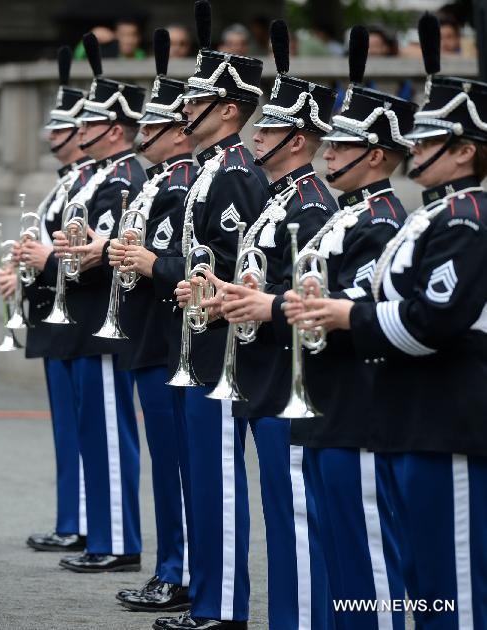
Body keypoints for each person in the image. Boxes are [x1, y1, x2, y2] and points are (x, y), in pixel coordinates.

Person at [284, 13, 487, 629]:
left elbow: (433, 321)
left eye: (429, 143)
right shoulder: (439, 214)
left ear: (466, 152)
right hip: (407, 416)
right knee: (421, 582)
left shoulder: (467, 219)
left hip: (447, 416)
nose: (416, 151)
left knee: (451, 588)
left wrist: (347, 314)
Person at [196, 19, 338, 630]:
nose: (260, 138)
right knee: (282, 517)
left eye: (274, 130)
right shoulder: (283, 197)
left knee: (297, 521)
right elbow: (264, 275)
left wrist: (258, 302)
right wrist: (228, 292)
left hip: (290, 377)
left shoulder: (308, 203)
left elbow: (310, 297)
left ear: (300, 140)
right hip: (265, 372)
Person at [273, 26, 416, 630]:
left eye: (341, 147)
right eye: (328, 145)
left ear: (376, 155)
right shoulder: (352, 215)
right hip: (324, 397)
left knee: (369, 561)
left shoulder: (381, 221)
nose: (327, 155)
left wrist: (274, 306)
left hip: (358, 402)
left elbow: (353, 306)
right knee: (335, 547)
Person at [150, 2, 268, 628]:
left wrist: (206, 285)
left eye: (196, 102)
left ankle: (223, 609)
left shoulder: (239, 173)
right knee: (203, 483)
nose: (183, 112)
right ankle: (209, 599)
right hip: (198, 346)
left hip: (226, 349)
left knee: (218, 487)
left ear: (228, 109)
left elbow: (246, 263)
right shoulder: (210, 170)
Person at [104, 28, 196, 614]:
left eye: (153, 129)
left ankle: (178, 568)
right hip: (145, 337)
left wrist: (146, 261)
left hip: (169, 342)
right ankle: (172, 565)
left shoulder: (187, 182)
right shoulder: (163, 180)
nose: (142, 139)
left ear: (179, 131)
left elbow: (196, 260)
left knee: (177, 469)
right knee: (165, 468)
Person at [50, 31, 147, 575]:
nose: (76, 132)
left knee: (110, 435)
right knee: (94, 433)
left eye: (87, 124)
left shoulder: (125, 176)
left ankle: (118, 541)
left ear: (114, 129)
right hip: (84, 319)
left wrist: (55, 255)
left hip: (102, 319)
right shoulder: (104, 175)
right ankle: (103, 534)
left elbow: (99, 250)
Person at [0, 46, 94, 553]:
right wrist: (21, 272)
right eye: (52, 132)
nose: (53, 139)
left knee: (89, 436)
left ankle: (89, 526)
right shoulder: (67, 183)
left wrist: (38, 261)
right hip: (56, 315)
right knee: (69, 435)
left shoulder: (97, 181)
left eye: (62, 131)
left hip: (81, 318)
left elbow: (82, 249)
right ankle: (71, 519)